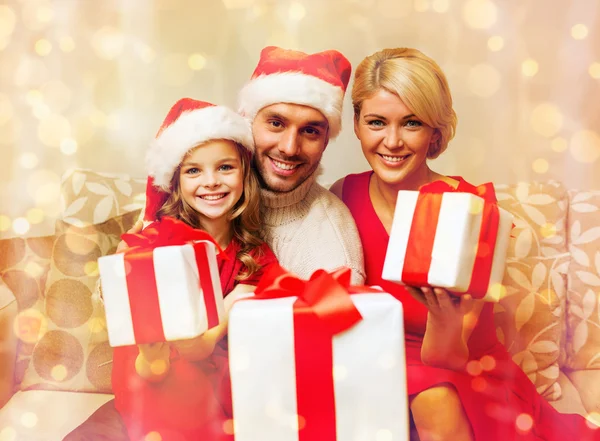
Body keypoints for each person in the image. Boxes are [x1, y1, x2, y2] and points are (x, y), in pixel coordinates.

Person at [330, 47, 600, 441]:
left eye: (411, 123)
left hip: (461, 365)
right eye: (376, 122)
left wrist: (443, 316)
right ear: (355, 124)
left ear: (434, 132)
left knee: (432, 397)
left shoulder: (469, 209)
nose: (392, 141)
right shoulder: (342, 195)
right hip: (381, 359)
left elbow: (450, 355)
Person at [110, 98, 277, 441]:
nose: (211, 182)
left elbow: (267, 293)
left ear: (246, 174)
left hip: (214, 364)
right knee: (180, 379)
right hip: (154, 369)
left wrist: (220, 325)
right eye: (194, 170)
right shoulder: (155, 242)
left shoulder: (252, 252)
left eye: (225, 168)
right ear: (177, 181)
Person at [237, 46, 364, 284]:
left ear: (326, 140)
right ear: (248, 122)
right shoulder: (213, 195)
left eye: (309, 131)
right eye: (276, 123)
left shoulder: (333, 253)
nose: (289, 148)